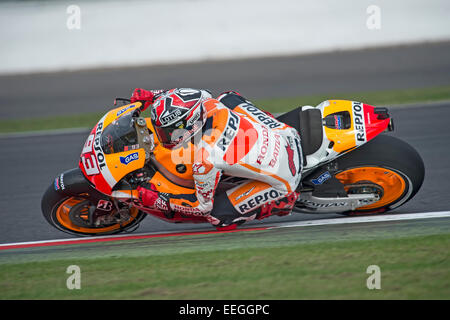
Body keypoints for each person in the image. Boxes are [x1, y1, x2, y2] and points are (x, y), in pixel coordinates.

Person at [131, 87, 303, 230]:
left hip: (286, 174)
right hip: (283, 133)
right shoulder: (207, 103)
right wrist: (153, 96)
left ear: (189, 125)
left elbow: (202, 207)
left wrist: (161, 200)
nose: (164, 136)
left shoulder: (204, 159)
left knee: (219, 217)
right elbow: (187, 95)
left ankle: (282, 202)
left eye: (169, 131)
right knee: (227, 97)